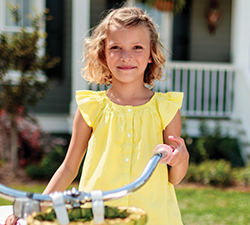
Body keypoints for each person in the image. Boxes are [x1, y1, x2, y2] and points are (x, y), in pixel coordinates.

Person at [6, 6, 189, 225]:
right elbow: (69, 167)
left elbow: (174, 178)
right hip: (99, 217)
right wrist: (33, 209)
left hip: (155, 218)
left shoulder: (165, 109)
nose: (126, 56)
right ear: (103, 53)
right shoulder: (92, 107)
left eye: (137, 47)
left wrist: (180, 158)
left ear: (151, 54)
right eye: (116, 47)